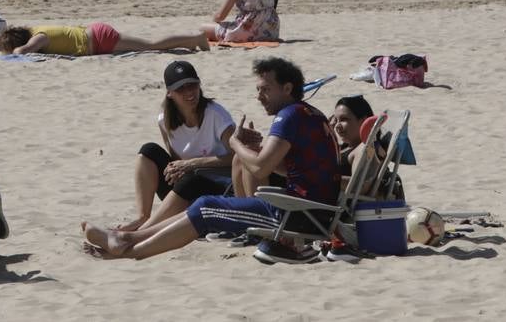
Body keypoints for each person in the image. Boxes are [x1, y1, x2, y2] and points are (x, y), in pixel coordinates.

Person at [81, 56, 340, 265]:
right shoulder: (309, 113)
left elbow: (261, 167)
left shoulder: (289, 117)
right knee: (203, 204)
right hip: (310, 209)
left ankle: (128, 250)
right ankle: (128, 238)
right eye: (258, 90)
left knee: (205, 207)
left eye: (265, 89)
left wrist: (237, 143)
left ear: (287, 88)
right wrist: (255, 148)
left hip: (298, 215)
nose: (260, 96)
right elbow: (283, 168)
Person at [120, 61, 236, 232]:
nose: (189, 92)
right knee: (148, 150)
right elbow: (175, 160)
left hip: (217, 188)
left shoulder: (216, 115)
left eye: (192, 85)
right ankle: (143, 217)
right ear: (169, 93)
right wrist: (180, 169)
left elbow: (237, 157)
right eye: (181, 88)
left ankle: (141, 233)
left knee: (190, 179)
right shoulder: (164, 120)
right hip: (185, 189)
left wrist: (193, 164)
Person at [0, 23, 209, 56]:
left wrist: (11, 55)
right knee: (151, 45)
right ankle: (192, 41)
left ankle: (195, 39)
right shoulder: (36, 29)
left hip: (99, 39)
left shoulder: (38, 38)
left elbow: (22, 52)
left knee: (152, 46)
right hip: (96, 34)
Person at [329, 95, 375, 176]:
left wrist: (324, 178)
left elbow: (362, 185)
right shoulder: (348, 145)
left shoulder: (366, 149)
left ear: (363, 121)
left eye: (344, 119)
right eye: (336, 120)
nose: (337, 126)